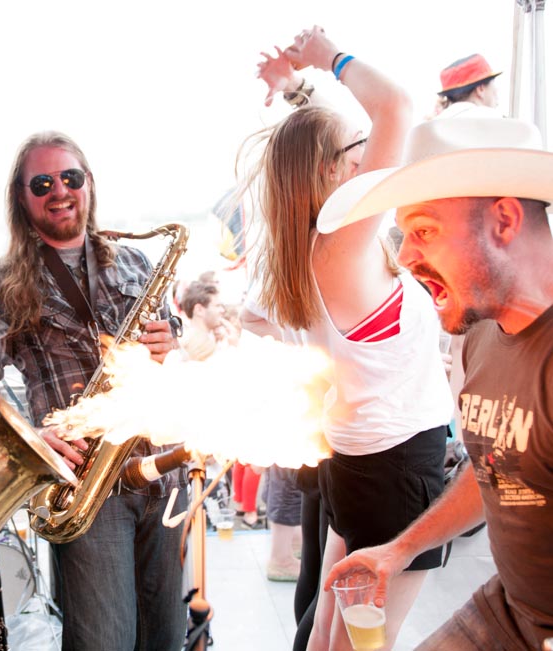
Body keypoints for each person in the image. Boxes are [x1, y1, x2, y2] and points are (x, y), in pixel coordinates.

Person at [237, 26, 454, 650]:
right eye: (354, 150)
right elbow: (396, 108)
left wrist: (295, 87)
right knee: (364, 643)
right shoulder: (345, 244)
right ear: (332, 172)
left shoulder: (305, 250)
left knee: (331, 635)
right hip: (394, 468)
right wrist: (327, 55)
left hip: (358, 461)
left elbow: (322, 141)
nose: (368, 151)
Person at [320, 116, 553, 650]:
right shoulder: (482, 334)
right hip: (507, 610)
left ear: (504, 221)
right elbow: (496, 463)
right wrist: (398, 550)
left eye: (423, 230)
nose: (403, 256)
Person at [0, 131, 187, 651]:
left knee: (166, 639)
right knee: (104, 641)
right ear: (21, 197)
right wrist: (32, 441)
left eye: (70, 177)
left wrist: (170, 344)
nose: (59, 190)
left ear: (88, 185)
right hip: (87, 485)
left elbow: (170, 355)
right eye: (42, 183)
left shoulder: (134, 262)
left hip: (159, 471)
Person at [434, 53, 503, 119]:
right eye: (493, 83)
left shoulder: (431, 126)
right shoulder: (498, 121)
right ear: (480, 89)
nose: (496, 90)